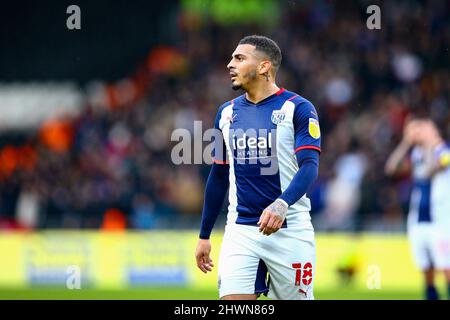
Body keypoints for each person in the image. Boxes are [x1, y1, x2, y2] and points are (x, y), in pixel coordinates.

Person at [194, 35, 321, 300]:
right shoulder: (225, 113)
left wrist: (282, 204)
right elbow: (218, 176)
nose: (230, 64)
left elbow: (309, 166)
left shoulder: (298, 109)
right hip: (241, 230)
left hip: (290, 229)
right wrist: (204, 234)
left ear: (264, 67)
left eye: (239, 58)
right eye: (231, 58)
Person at [385, 118, 450, 299]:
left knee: (445, 265)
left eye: (423, 128)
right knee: (426, 268)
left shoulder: (443, 151)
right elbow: (391, 168)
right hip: (418, 218)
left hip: (441, 220)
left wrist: (430, 142)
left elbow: (431, 170)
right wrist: (406, 142)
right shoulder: (416, 154)